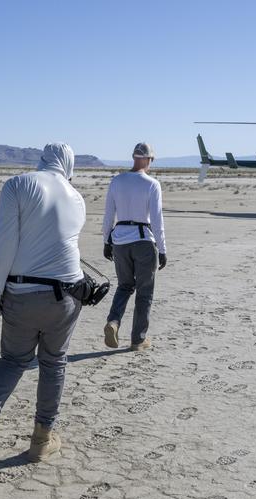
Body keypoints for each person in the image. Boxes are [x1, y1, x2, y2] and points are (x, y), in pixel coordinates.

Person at [0, 143, 86, 475]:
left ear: (41, 160)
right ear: (67, 164)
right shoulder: (76, 197)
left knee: (13, 360)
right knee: (54, 362)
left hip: (22, 293)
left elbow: (6, 245)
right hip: (67, 296)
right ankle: (42, 439)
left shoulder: (19, 184)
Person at [101, 142, 167, 351]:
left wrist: (106, 241)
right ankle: (138, 339)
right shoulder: (151, 184)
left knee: (124, 286)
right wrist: (163, 249)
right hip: (143, 243)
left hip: (120, 242)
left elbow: (108, 215)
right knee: (144, 292)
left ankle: (113, 321)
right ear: (148, 159)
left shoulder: (117, 181)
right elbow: (157, 220)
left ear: (134, 157)